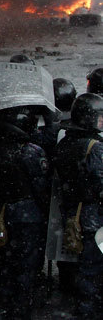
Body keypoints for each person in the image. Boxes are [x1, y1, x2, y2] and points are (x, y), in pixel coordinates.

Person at [0, 106, 50, 320]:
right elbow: (41, 188)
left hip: (4, 213)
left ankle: (4, 307)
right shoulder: (32, 152)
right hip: (29, 216)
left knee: (5, 262)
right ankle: (21, 309)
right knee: (26, 265)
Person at [52, 93, 103, 318]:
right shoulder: (95, 148)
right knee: (93, 269)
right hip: (93, 215)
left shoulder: (65, 142)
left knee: (80, 265)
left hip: (73, 212)